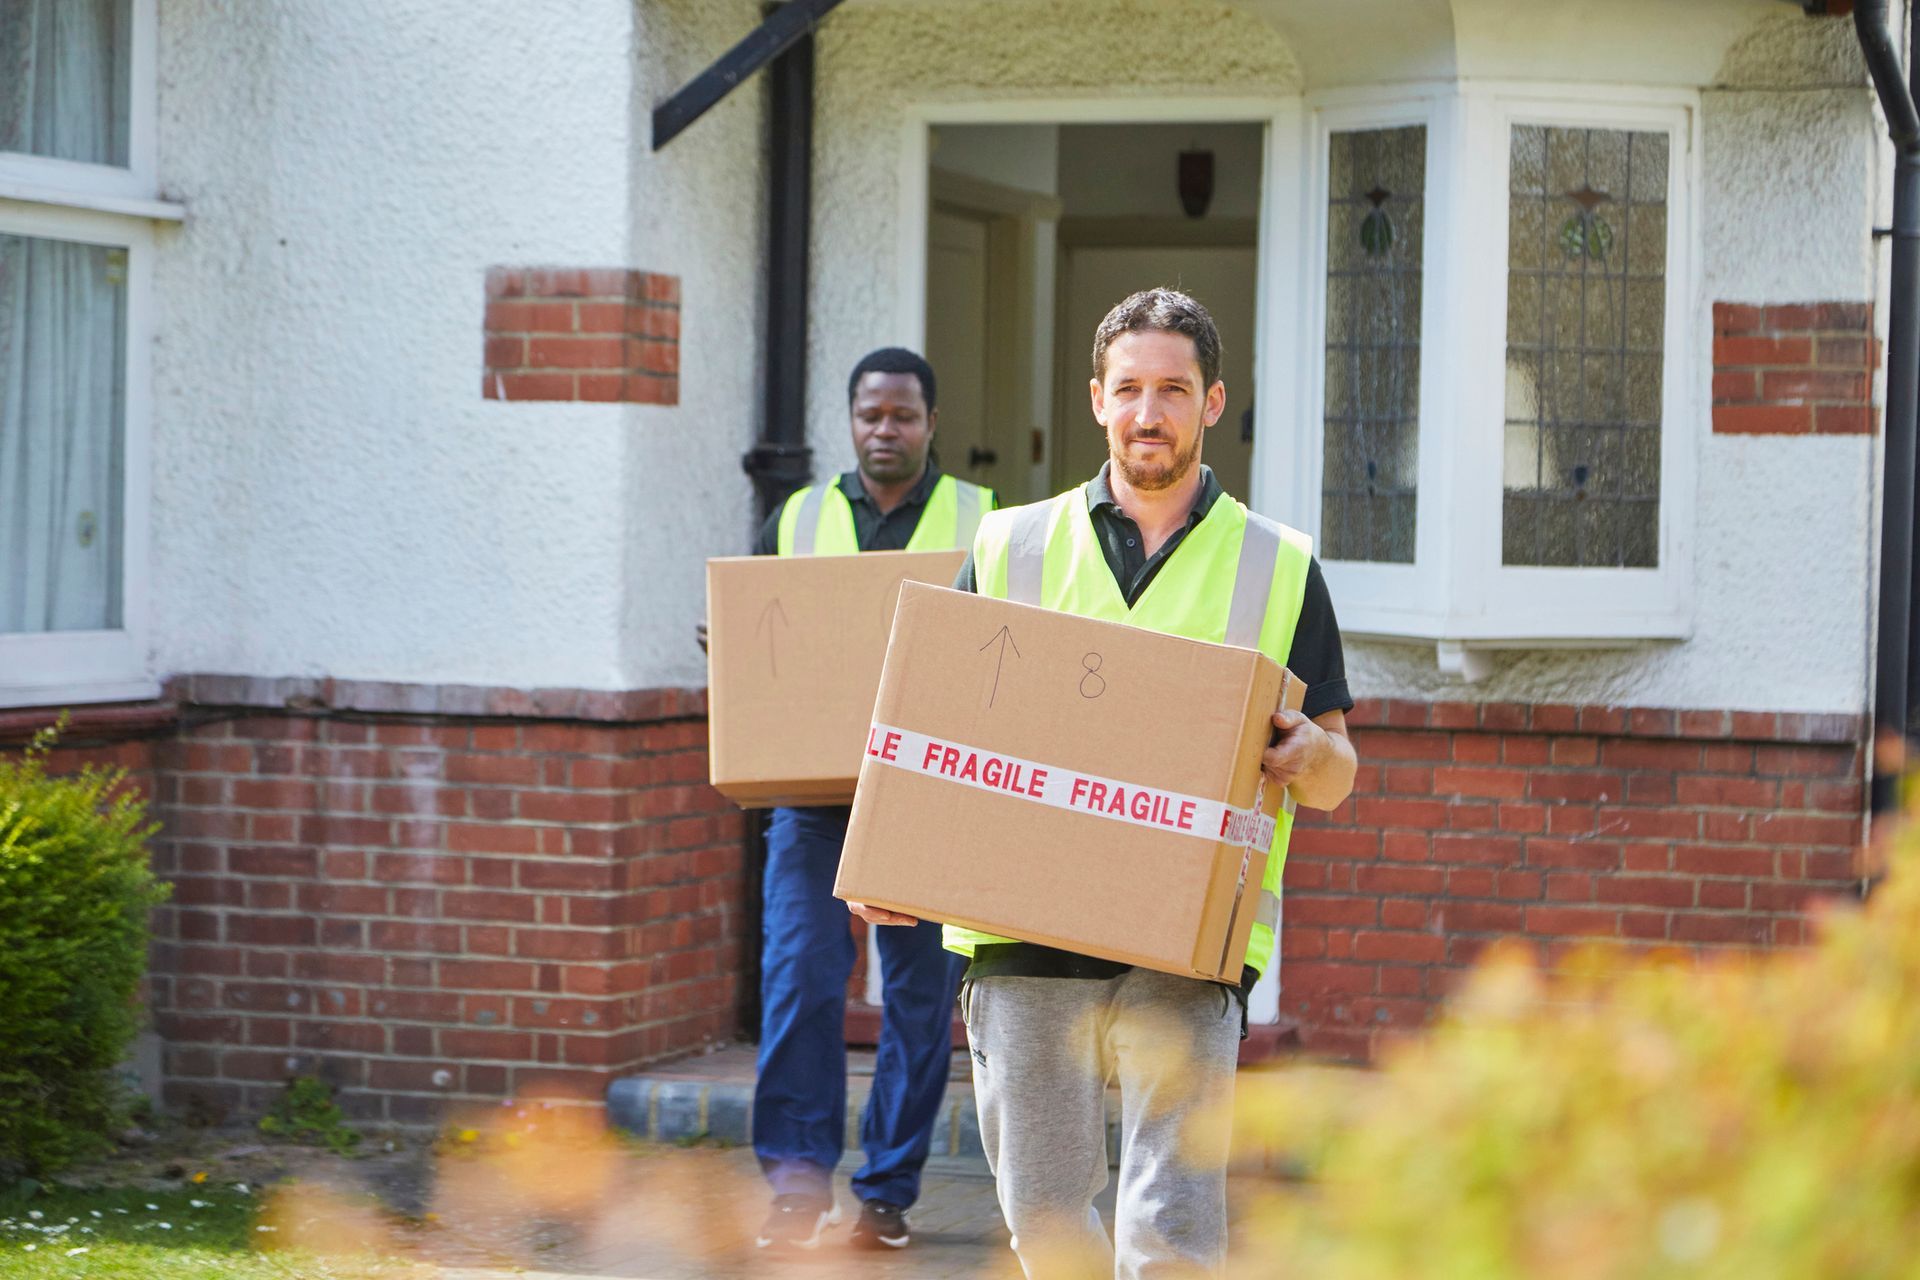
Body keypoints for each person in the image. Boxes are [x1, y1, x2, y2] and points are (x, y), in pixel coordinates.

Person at [850, 291, 1357, 1279]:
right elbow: (934, 731)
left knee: (1170, 1229)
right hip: (1024, 941)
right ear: (1096, 400)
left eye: (1173, 388)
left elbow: (1337, 770)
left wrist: (1308, 755)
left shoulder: (1278, 563)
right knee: (1043, 1223)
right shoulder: (1010, 545)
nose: (1149, 411)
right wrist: (892, 858)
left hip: (1189, 946)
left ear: (1213, 402)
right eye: (1129, 388)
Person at [748, 347, 997, 1253]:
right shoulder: (798, 515)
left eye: (902, 415)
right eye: (869, 415)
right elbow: (762, 632)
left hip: (929, 794)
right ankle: (794, 1186)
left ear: (932, 423)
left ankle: (886, 1195)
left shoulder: (987, 521)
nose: (884, 430)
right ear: (849, 421)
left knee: (920, 1000)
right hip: (813, 795)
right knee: (801, 978)